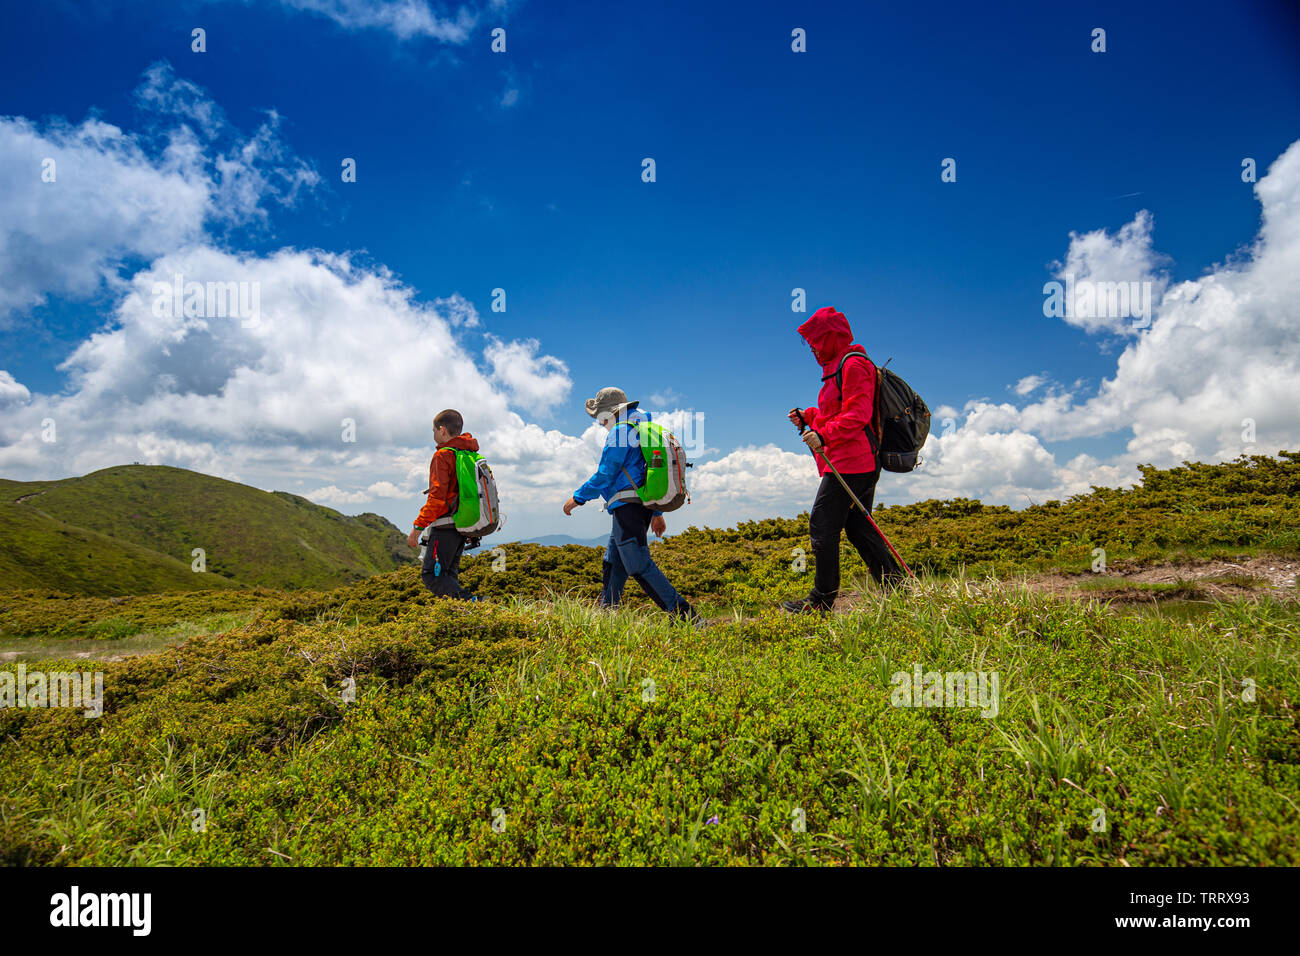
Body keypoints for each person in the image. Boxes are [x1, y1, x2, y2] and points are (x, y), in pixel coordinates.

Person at [784, 306, 903, 614]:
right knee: (858, 527)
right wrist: (808, 416)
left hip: (853, 463)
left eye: (816, 340)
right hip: (853, 461)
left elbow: (857, 415)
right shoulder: (839, 367)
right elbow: (834, 412)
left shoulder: (854, 365)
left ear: (831, 337)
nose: (811, 347)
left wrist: (824, 436)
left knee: (822, 526)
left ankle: (821, 601)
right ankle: (898, 587)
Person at [562, 387, 699, 623]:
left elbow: (605, 474)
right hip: (637, 505)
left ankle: (687, 618)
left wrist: (577, 498)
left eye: (601, 417)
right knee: (613, 562)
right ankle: (607, 615)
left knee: (637, 564)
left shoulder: (620, 432)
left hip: (628, 505)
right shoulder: (640, 429)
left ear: (612, 412)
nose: (599, 422)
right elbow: (645, 473)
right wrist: (655, 512)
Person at [407, 409, 479, 600]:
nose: (433, 434)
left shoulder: (443, 456)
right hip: (462, 524)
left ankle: (478, 605)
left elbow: (437, 499)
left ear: (442, 430)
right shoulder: (467, 452)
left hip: (445, 525)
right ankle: (461, 621)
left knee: (432, 576)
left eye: (433, 430)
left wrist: (417, 528)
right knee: (447, 576)